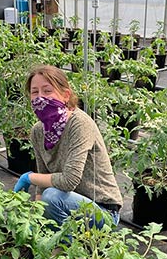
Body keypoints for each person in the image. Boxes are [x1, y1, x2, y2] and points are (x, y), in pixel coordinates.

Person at [13, 64, 123, 227]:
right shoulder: (38, 131)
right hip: (69, 204)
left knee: (51, 197)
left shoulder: (80, 124)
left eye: (47, 90)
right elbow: (43, 177)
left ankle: (71, 246)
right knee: (44, 202)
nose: (40, 97)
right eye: (35, 92)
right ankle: (60, 242)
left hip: (103, 211)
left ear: (65, 95)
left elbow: (69, 180)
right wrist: (37, 215)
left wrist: (28, 177)